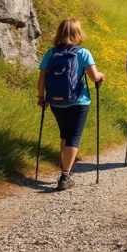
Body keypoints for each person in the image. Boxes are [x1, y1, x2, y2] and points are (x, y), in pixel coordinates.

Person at [37, 19, 106, 190]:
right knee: (73, 137)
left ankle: (65, 169)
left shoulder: (51, 53)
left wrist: (41, 97)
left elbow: (41, 79)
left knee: (65, 135)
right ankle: (65, 175)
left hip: (55, 101)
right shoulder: (83, 53)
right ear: (78, 33)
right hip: (78, 101)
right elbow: (94, 77)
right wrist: (101, 76)